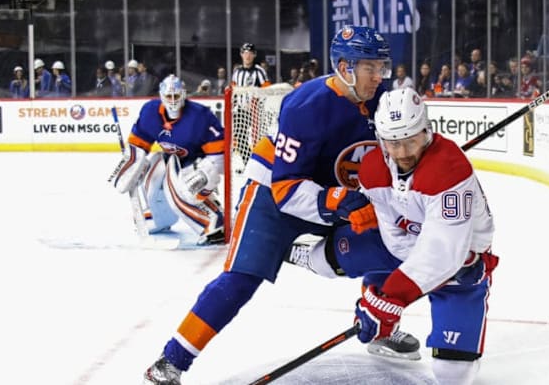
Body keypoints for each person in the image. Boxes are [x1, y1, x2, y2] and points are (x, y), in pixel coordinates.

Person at [143, 25, 419, 384]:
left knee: (392, 235)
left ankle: (380, 326)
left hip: (335, 189)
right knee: (242, 279)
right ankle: (170, 361)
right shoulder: (307, 105)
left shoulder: (382, 97)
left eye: (381, 67)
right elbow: (285, 189)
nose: (379, 75)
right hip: (272, 192)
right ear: (345, 68)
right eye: (371, 67)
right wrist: (335, 200)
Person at [291, 87, 498, 384]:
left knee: (453, 373)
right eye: (393, 143)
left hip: (460, 262)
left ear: (426, 131)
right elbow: (389, 229)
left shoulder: (449, 170)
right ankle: (302, 255)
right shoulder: (374, 168)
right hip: (397, 245)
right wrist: (380, 296)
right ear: (381, 139)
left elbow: (442, 252)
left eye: (411, 141)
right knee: (329, 258)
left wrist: (389, 298)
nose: (402, 153)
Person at [111, 75, 226, 246]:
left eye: (176, 96)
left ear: (183, 95)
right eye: (168, 96)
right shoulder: (150, 112)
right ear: (161, 96)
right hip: (170, 159)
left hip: (194, 163)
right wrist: (131, 166)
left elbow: (219, 156)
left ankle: (214, 220)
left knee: (184, 187)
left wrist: (206, 174)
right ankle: (160, 218)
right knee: (153, 173)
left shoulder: (200, 116)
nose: (172, 101)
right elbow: (138, 144)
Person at [231, 42, 272, 168]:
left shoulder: (259, 72)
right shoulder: (237, 72)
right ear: (241, 54)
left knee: (258, 138)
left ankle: (259, 164)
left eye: (250, 53)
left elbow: (267, 89)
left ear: (254, 55)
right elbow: (233, 90)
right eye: (245, 53)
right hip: (240, 110)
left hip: (256, 110)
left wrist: (259, 102)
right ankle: (249, 164)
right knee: (239, 136)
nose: (247, 56)